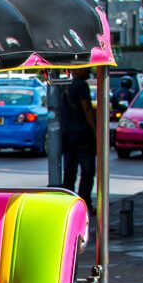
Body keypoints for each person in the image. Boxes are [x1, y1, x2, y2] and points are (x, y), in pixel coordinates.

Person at [59, 67, 97, 213]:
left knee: (69, 171)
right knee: (87, 172)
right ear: (77, 70)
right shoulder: (81, 85)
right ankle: (84, 203)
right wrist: (94, 129)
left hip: (67, 135)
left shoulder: (64, 85)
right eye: (85, 68)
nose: (88, 70)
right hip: (81, 135)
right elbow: (86, 109)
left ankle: (68, 204)